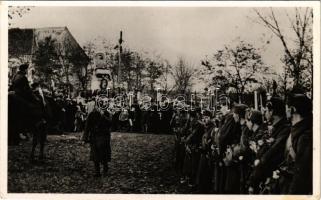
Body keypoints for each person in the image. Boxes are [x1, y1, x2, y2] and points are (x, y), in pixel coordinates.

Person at [248, 97, 290, 194]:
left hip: (272, 179)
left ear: (272, 112)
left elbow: (269, 155)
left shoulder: (284, 130)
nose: (264, 113)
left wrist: (253, 180)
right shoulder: (275, 129)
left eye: (266, 110)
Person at [279, 93, 312, 194]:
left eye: (287, 107)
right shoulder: (297, 130)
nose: (285, 110)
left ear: (293, 109)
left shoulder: (305, 136)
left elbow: (300, 174)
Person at [83, 104, 112, 177]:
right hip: (94, 136)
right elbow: (87, 126)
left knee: (103, 153)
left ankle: (105, 167)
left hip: (104, 136)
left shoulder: (107, 114)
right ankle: (97, 171)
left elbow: (110, 123)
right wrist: (85, 138)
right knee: (95, 154)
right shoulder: (91, 114)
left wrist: (103, 116)